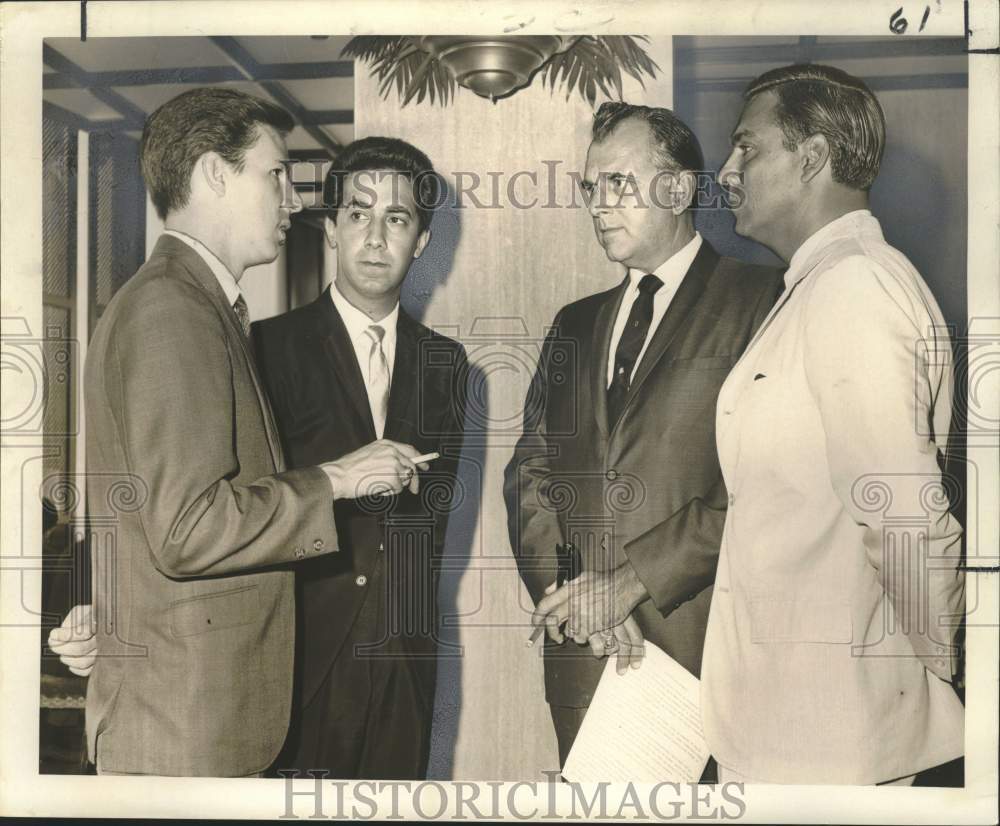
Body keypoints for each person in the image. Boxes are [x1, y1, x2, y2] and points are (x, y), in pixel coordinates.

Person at [61, 88, 429, 777]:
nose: (291, 200)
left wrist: (100, 610)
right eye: (277, 175)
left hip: (193, 715)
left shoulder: (190, 302)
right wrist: (337, 478)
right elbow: (189, 528)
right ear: (213, 173)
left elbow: (138, 515)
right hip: (183, 727)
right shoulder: (172, 311)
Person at [700, 64, 965, 785]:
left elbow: (903, 512)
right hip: (791, 722)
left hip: (833, 736)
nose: (725, 173)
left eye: (746, 148)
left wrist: (937, 670)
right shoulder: (824, 284)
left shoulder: (853, 287)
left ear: (812, 156)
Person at [505, 101, 783, 767]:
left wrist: (633, 583)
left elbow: (769, 484)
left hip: (708, 656)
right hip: (587, 657)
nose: (599, 205)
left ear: (681, 186)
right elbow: (531, 475)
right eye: (590, 188)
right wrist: (579, 598)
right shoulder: (574, 323)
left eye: (619, 184)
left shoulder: (762, 297)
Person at [252, 137, 466, 779]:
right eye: (358, 214)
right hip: (298, 658)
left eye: (396, 219)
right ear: (331, 230)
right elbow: (252, 505)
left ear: (421, 241)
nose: (376, 237)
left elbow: (429, 525)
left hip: (403, 661)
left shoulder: (447, 365)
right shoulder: (266, 348)